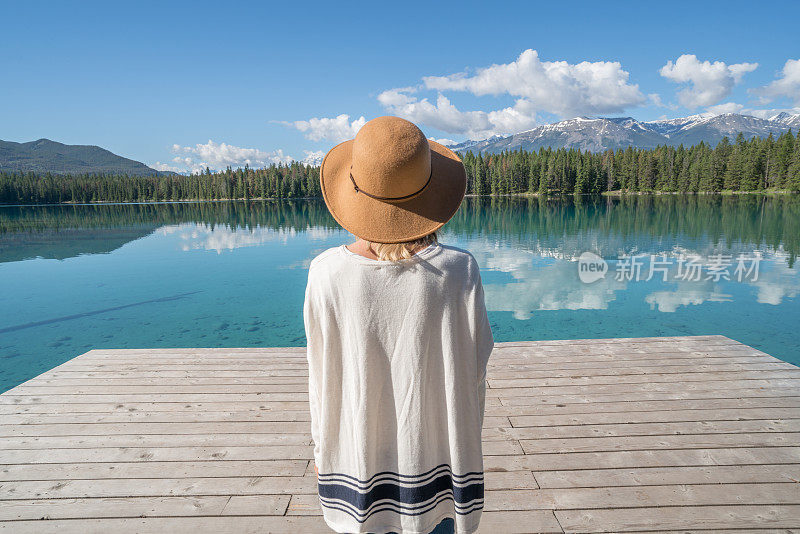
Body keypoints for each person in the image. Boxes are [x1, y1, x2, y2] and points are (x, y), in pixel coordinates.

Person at [304, 116, 494, 534]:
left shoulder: (326, 273)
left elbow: (320, 376)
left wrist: (322, 450)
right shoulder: (459, 270)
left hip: (358, 463)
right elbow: (475, 369)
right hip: (440, 464)